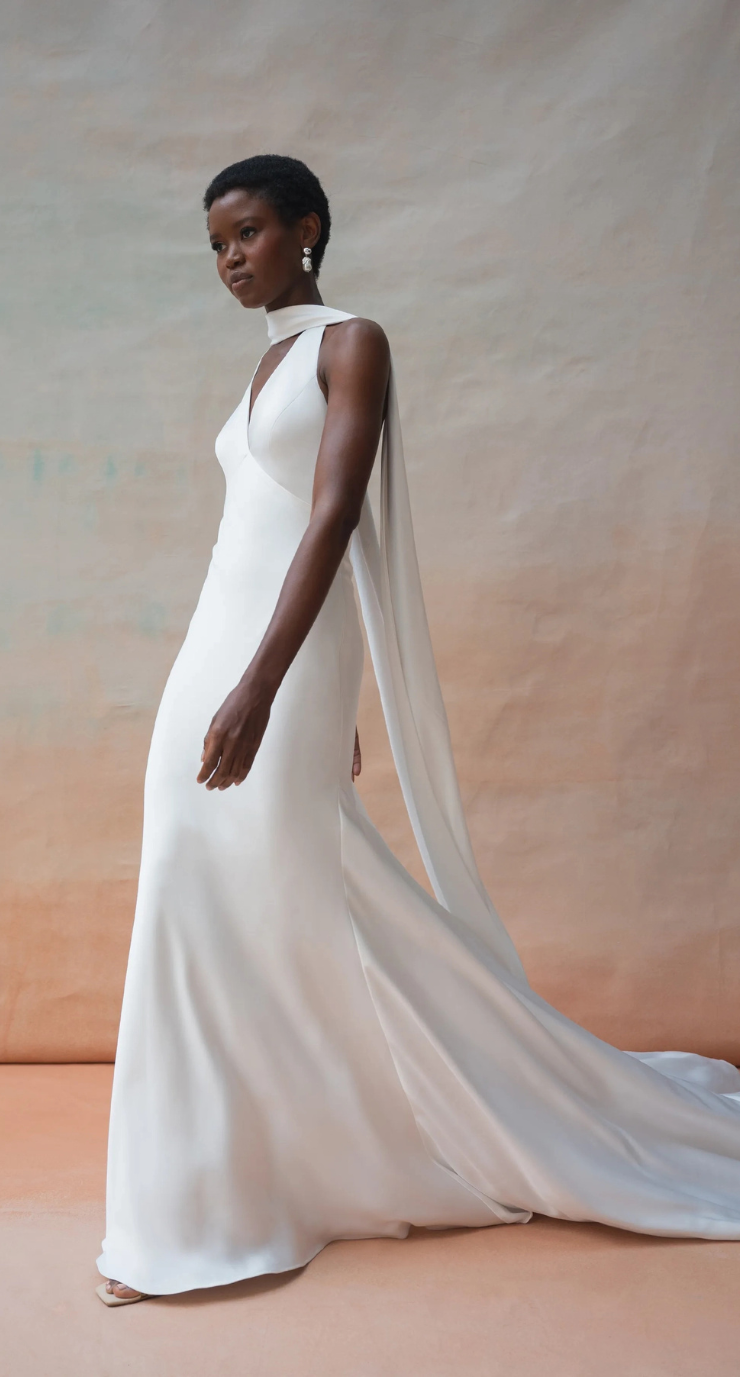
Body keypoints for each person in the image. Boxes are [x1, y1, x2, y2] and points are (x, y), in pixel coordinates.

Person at [97, 154, 740, 1305]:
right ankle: (224, 1183)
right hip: (219, 650)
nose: (229, 259)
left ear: (308, 227)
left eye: (246, 233)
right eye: (214, 245)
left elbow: (336, 518)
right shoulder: (266, 363)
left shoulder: (354, 342)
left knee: (243, 900)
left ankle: (202, 1211)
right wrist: (238, 679)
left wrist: (272, 687)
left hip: (269, 664)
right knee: (204, 888)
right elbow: (249, 532)